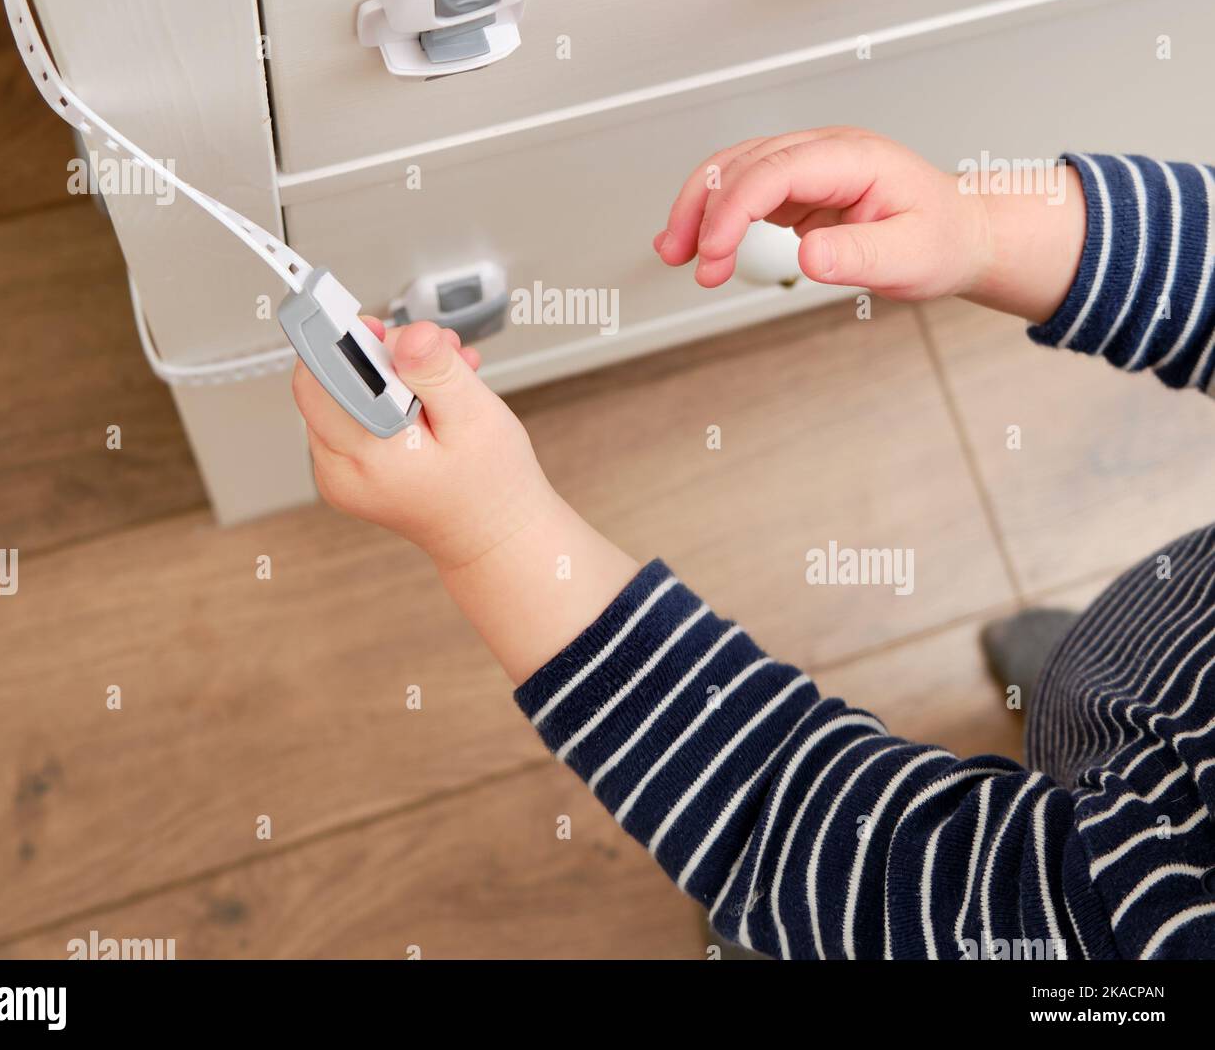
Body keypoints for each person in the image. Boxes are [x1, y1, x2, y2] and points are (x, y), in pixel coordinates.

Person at [292, 128, 1215, 960]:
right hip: (1162, 676)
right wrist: (979, 229)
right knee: (1093, 707)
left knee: (950, 873)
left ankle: (1086, 768)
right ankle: (1091, 719)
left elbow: (805, 834)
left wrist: (492, 532)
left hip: (1062, 886)